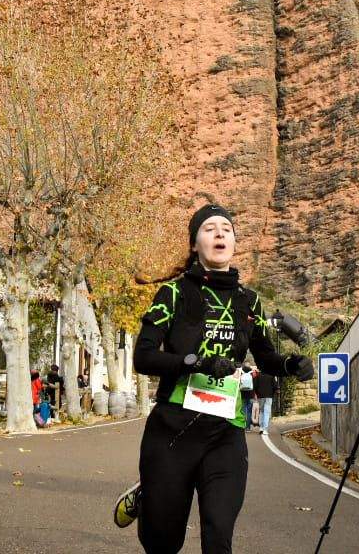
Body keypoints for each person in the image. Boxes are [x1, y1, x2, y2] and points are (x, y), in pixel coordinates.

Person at [121, 204, 313, 554]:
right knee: (162, 542)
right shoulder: (174, 295)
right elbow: (143, 357)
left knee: (219, 534)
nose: (220, 233)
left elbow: (265, 356)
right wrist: (195, 363)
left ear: (234, 241)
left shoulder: (249, 301)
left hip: (225, 432)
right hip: (173, 429)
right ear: (195, 244)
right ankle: (151, 495)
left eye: (226, 227)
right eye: (209, 228)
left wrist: (289, 365)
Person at [252, 369, 275, 435]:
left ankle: (261, 427)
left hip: (260, 396)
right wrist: (272, 394)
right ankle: (265, 429)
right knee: (267, 412)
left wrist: (256, 393)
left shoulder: (258, 376)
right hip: (269, 396)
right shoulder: (271, 376)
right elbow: (275, 386)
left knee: (261, 412)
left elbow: (254, 386)